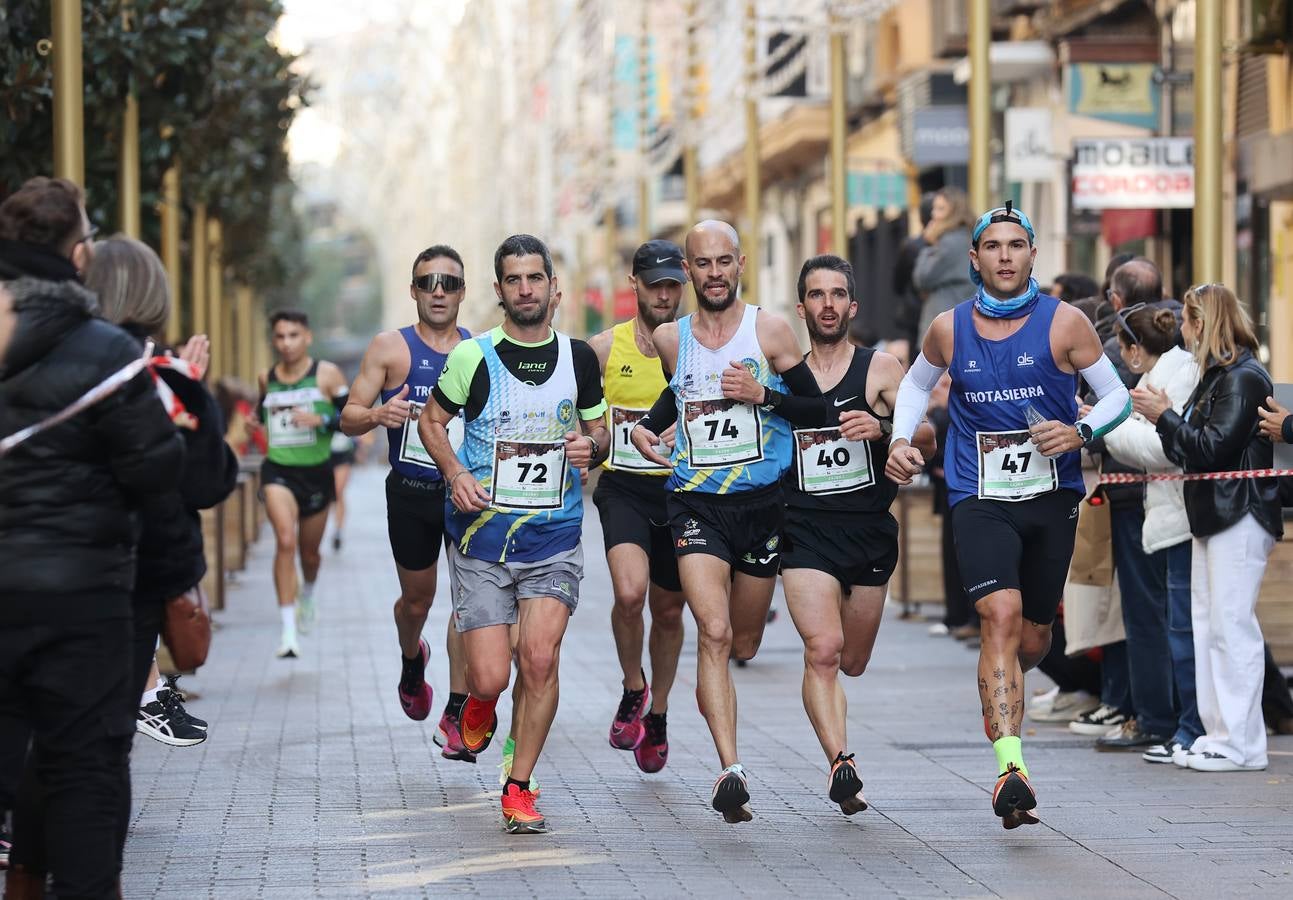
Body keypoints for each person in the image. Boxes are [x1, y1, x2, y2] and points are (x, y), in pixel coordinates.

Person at [885, 202, 1131, 828]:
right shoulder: (948, 328)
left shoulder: (1066, 323)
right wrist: (899, 437)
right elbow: (916, 385)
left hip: (1052, 497)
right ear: (974, 258)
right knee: (999, 615)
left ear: (1031, 255)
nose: (1004, 256)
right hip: (978, 494)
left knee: (1033, 635)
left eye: (1015, 246)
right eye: (992, 246)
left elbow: (1118, 397)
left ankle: (1002, 689)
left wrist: (1079, 431)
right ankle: (1010, 767)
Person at [0, 176, 184, 897]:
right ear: (79, 256)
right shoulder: (110, 352)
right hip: (86, 604)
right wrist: (171, 583)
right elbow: (156, 472)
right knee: (83, 774)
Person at [628, 220, 833, 824]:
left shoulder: (768, 330)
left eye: (724, 262)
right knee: (712, 632)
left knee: (743, 639)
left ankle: (730, 749)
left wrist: (762, 396)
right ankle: (730, 768)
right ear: (687, 270)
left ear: (740, 263)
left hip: (761, 505)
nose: (713, 273)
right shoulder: (671, 338)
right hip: (693, 504)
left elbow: (816, 409)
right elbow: (678, 396)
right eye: (702, 263)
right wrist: (646, 426)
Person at [419, 234, 609, 834]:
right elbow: (432, 421)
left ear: (554, 288)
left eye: (535, 278)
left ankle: (519, 784)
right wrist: (453, 474)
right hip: (481, 539)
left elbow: (600, 431)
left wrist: (591, 446)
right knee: (491, 676)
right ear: (499, 290)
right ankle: (477, 702)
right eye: (513, 280)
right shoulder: (473, 358)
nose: (525, 289)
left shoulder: (578, 359)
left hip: (554, 534)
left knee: (540, 658)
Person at [777, 254, 934, 815]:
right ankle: (841, 762)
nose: (827, 304)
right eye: (816, 295)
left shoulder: (882, 369)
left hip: (868, 531)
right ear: (802, 308)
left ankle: (839, 746)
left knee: (853, 661)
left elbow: (927, 435)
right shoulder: (783, 375)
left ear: (852, 305)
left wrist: (890, 433)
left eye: (837, 294)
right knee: (824, 649)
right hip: (804, 532)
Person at [87, 236, 238, 750]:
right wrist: (191, 385)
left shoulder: (35, 351)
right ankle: (147, 696)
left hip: (40, 559)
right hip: (127, 564)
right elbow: (204, 482)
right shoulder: (156, 373)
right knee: (100, 742)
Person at [1136, 283, 1283, 772]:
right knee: (1211, 625)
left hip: (1237, 511)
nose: (1181, 330)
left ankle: (1240, 742)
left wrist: (1165, 417)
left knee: (1229, 624)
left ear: (1202, 323)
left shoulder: (1240, 378)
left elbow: (1208, 448)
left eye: (1186, 321)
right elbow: (1199, 447)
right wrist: (1169, 421)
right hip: (1217, 512)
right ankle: (1221, 733)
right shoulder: (1222, 375)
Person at [341, 245, 475, 761]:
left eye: (448, 282)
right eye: (428, 282)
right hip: (411, 493)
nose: (438, 291)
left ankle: (456, 710)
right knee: (418, 600)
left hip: (465, 494)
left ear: (462, 292)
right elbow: (348, 416)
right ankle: (411, 655)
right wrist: (379, 416)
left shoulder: (479, 349)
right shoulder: (390, 349)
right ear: (414, 290)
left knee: (468, 601)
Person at [587, 240, 687, 772]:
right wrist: (592, 441)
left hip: (680, 494)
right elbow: (586, 417)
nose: (665, 295)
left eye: (674, 285)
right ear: (636, 285)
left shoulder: (699, 347)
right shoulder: (605, 349)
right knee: (630, 593)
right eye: (656, 285)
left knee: (669, 610)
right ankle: (633, 687)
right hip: (624, 486)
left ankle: (661, 713)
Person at [1100, 303, 1201, 759]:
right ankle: (1182, 725)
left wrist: (1107, 427)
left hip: (1178, 516)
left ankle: (1180, 725)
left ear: (1135, 351)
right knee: (1177, 624)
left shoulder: (1170, 377)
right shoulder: (1158, 376)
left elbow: (1163, 448)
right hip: (1166, 513)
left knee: (1180, 626)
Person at [256, 309, 348, 659]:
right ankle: (288, 632)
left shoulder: (326, 374)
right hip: (278, 471)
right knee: (284, 539)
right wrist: (253, 427)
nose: (286, 343)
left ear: (306, 337)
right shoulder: (266, 378)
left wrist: (321, 418)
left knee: (309, 554)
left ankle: (307, 592)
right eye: (279, 336)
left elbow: (351, 417)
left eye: (293, 335)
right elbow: (258, 415)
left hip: (316, 473)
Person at [911, 186, 976, 338]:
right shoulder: (967, 237)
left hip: (946, 328)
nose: (934, 214)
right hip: (959, 322)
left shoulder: (949, 243)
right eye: (934, 208)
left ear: (955, 212)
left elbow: (922, 278)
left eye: (940, 209)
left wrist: (930, 245)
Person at [329, 430, 356, 551]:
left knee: (338, 492)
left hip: (343, 451)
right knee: (327, 493)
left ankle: (338, 530)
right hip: (323, 450)